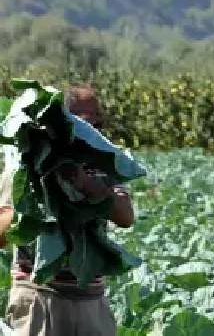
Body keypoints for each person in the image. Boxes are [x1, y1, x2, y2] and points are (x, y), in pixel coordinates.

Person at [0, 85, 135, 336]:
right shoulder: (25, 168)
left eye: (99, 122)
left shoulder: (105, 165)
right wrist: (33, 202)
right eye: (84, 121)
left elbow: (126, 216)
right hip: (39, 299)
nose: (94, 128)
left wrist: (89, 185)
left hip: (91, 300)